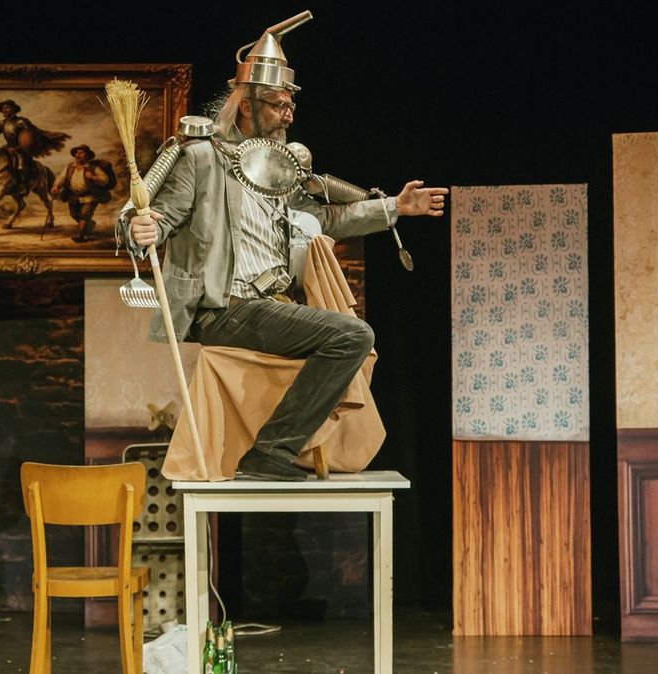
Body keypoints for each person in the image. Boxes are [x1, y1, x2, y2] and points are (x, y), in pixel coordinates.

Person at [124, 18, 448, 481]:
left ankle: (277, 449)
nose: (288, 115)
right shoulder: (201, 157)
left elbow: (325, 219)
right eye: (278, 105)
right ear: (247, 106)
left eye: (290, 104)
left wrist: (395, 207)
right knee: (352, 335)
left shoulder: (277, 167)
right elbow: (160, 217)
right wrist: (144, 228)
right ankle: (271, 452)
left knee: (350, 337)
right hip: (225, 306)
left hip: (269, 304)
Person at [0, 99, 69, 180]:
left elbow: (33, 134)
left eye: (7, 108)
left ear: (13, 109)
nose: (4, 110)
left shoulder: (21, 121)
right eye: (3, 108)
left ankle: (25, 184)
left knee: (22, 167)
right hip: (7, 148)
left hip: (21, 149)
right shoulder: (2, 123)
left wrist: (18, 148)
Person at [51, 144, 116, 242]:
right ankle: (89, 224)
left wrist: (93, 177)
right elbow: (61, 178)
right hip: (73, 196)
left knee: (84, 214)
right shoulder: (70, 167)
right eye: (77, 153)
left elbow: (105, 180)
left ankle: (81, 235)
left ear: (87, 156)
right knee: (74, 214)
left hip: (90, 196)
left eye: (81, 152)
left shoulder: (93, 168)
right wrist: (56, 186)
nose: (78, 155)